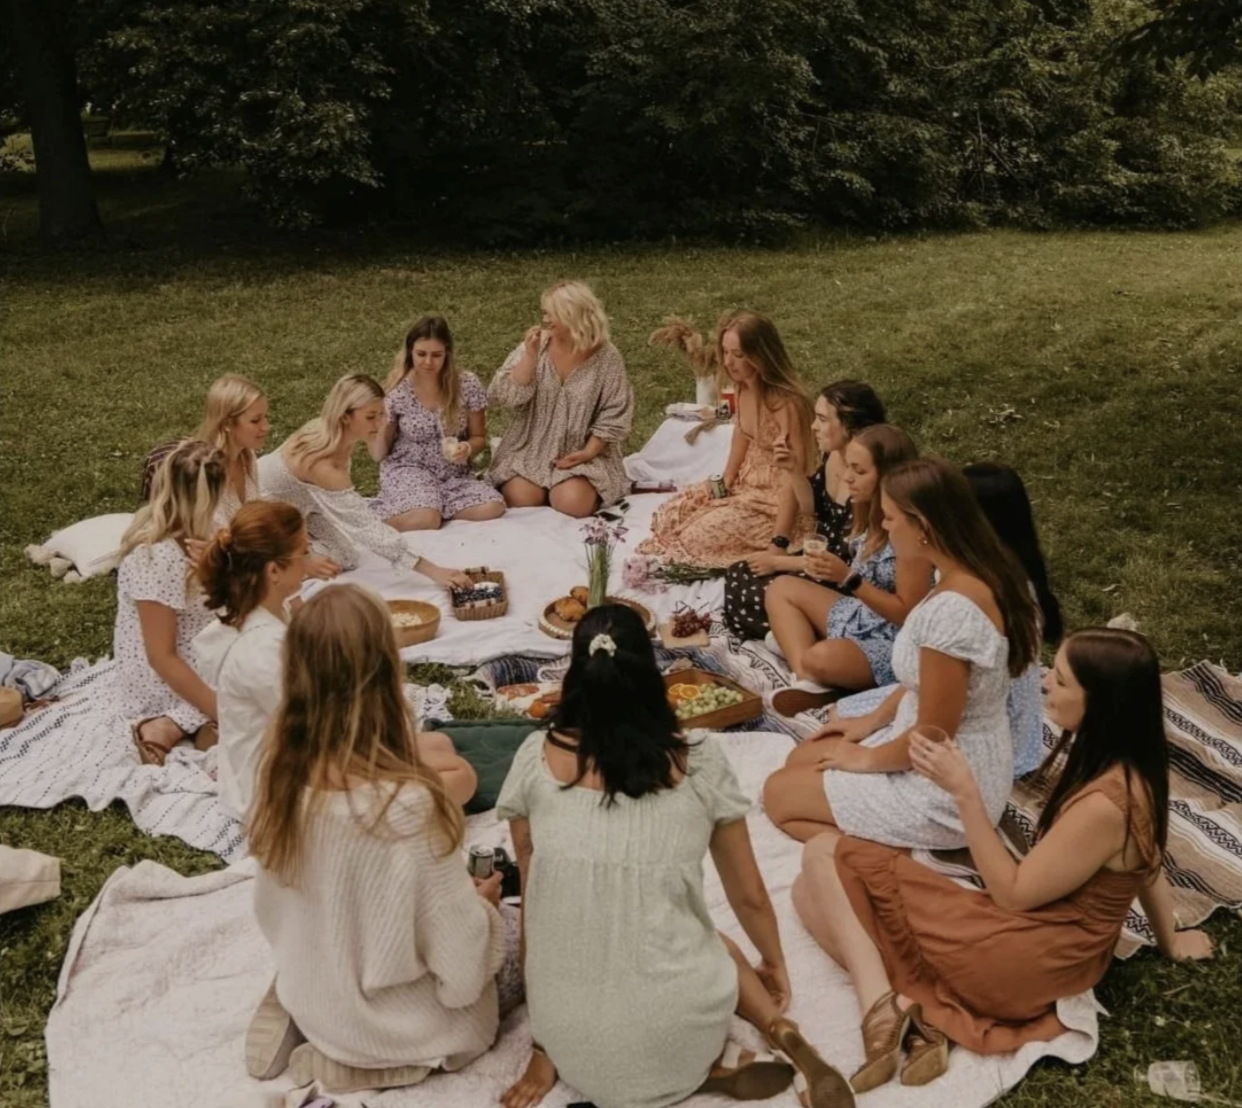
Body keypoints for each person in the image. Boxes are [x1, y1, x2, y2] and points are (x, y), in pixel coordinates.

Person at [791, 629, 1214, 1093]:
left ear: (1102, 703)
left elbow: (1012, 895)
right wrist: (1170, 940)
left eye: (1064, 680)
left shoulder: (1106, 804)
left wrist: (965, 793)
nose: (1046, 681)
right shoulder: (1138, 773)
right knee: (811, 894)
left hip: (1027, 962)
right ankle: (912, 1019)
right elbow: (1149, 865)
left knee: (822, 856)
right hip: (1059, 956)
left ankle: (889, 1009)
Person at [496, 604, 850, 1108]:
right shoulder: (699, 759)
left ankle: (666, 1062)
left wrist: (542, 1037)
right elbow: (749, 895)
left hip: (572, 1047)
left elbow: (535, 901)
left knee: (591, 926)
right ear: (652, 674)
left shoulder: (534, 759)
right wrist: (774, 964)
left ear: (574, 674)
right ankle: (773, 1027)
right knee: (711, 938)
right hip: (681, 1032)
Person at [244, 585, 500, 1094]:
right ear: (387, 672)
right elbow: (461, 970)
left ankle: (299, 1005)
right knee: (509, 940)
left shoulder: (278, 776)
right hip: (401, 1024)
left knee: (331, 933)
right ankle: (370, 1062)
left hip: (315, 977)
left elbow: (273, 912)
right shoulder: (409, 808)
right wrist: (486, 911)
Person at [762, 457, 1041, 847]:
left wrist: (867, 759)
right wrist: (871, 721)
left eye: (891, 518)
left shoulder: (954, 613)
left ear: (922, 527)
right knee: (801, 759)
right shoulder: (966, 569)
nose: (885, 526)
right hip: (941, 750)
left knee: (777, 795)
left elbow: (934, 735)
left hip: (945, 789)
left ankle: (899, 867)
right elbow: (925, 684)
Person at [826, 462, 1064, 778]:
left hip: (983, 726)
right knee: (842, 718)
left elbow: (941, 725)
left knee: (837, 728)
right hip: (961, 705)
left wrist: (871, 756)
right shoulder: (977, 573)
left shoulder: (975, 597)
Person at [765, 425, 929, 717]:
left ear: (888, 474)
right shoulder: (867, 510)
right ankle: (811, 682)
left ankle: (815, 669)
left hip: (895, 640)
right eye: (848, 467)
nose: (847, 477)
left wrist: (847, 578)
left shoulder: (909, 530)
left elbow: (908, 616)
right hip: (863, 614)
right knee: (780, 589)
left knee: (819, 657)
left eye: (859, 470)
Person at [258, 374, 471, 590]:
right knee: (325, 556)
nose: (379, 424)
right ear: (345, 416)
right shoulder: (325, 467)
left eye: (381, 415)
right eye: (370, 417)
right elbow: (367, 528)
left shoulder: (330, 433)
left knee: (347, 557)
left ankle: (297, 549)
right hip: (265, 514)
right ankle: (267, 562)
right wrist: (434, 571)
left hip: (303, 505)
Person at [638, 311, 816, 568]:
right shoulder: (743, 386)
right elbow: (742, 434)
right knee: (671, 516)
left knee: (696, 538)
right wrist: (727, 479)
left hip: (777, 500)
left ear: (761, 356)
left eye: (739, 355)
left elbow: (794, 476)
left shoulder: (787, 405)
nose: (729, 362)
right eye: (725, 352)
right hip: (747, 482)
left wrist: (779, 542)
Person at [723, 381, 887, 641]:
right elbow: (813, 510)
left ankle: (804, 633)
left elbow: (848, 563)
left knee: (756, 588)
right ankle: (796, 630)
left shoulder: (869, 481)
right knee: (739, 573)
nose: (813, 427)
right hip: (819, 560)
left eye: (822, 419)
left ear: (851, 427)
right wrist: (792, 470)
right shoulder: (833, 455)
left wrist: (779, 561)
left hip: (847, 580)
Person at [193, 500, 308, 822]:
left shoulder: (270, 615)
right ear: (274, 571)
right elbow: (310, 728)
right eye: (304, 553)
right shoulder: (260, 650)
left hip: (289, 761)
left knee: (438, 749)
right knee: (452, 775)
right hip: (274, 792)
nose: (308, 562)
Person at [120, 440, 228, 765]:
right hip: (164, 675)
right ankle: (168, 724)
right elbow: (161, 657)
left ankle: (199, 725)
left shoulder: (207, 533)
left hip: (202, 642)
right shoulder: (155, 558)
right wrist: (219, 710)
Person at [488, 281, 634, 517]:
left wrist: (588, 452)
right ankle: (543, 489)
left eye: (551, 313)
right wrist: (530, 356)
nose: (545, 319)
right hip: (531, 447)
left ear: (573, 316)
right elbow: (505, 395)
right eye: (544, 312)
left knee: (572, 504)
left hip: (582, 452)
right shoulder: (538, 346)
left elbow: (615, 412)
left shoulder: (607, 357)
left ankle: (566, 489)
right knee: (522, 500)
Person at [368, 316, 506, 531]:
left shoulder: (467, 384)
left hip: (453, 472)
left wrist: (467, 449)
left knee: (493, 506)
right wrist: (376, 427)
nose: (428, 362)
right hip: (409, 468)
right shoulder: (397, 390)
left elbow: (479, 437)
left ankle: (428, 506)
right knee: (426, 519)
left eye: (436, 355)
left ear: (447, 354)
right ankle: (368, 523)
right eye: (421, 354)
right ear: (410, 353)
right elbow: (379, 454)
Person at [140, 375, 269, 528]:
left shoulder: (247, 457)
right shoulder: (198, 470)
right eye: (255, 420)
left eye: (265, 417)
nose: (266, 426)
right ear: (227, 424)